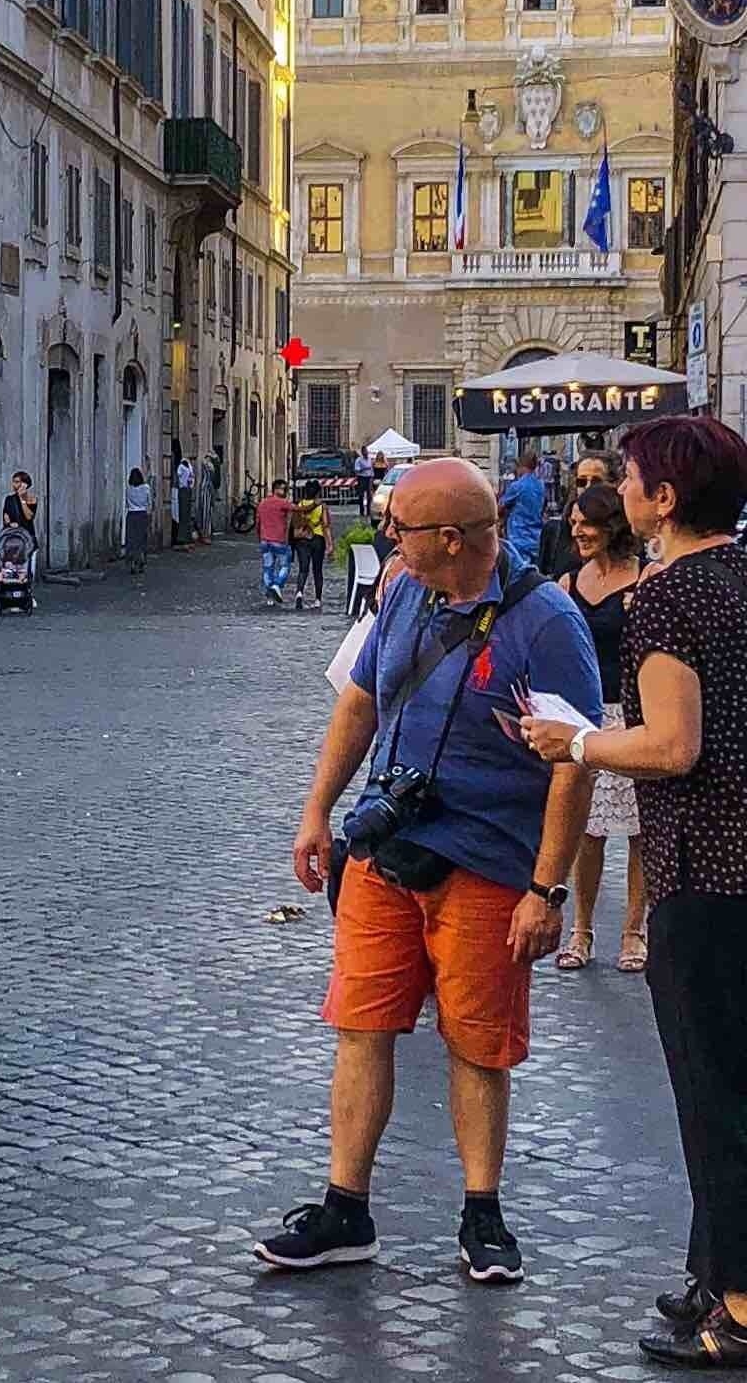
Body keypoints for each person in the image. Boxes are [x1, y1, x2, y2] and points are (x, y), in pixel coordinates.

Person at [258, 457, 601, 1286]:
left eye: (400, 529)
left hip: (486, 862)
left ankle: (483, 1212)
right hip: (387, 850)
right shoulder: (406, 591)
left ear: (451, 539)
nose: (388, 540)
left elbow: (576, 762)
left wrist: (546, 888)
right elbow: (361, 701)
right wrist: (316, 810)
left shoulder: (547, 622)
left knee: (478, 1044)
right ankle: (347, 1208)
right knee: (361, 1025)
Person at [520, 416, 747, 1366]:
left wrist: (572, 742)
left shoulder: (667, 599)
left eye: (638, 476)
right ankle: (714, 1264)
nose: (627, 486)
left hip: (704, 869)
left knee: (714, 1087)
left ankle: (736, 1310)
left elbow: (670, 745)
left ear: (663, 500)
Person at [550, 481, 648, 975]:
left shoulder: (646, 578)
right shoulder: (568, 582)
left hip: (635, 715)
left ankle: (634, 930)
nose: (579, 532)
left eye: (586, 523)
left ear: (611, 526)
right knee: (587, 831)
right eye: (573, 524)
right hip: (585, 717)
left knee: (638, 833)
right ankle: (581, 927)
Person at [499, 455, 546, 567]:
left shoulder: (517, 486)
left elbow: (500, 507)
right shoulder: (541, 485)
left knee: (520, 573)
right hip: (536, 539)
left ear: (521, 467)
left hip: (519, 537)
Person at [289, 486, 329, 613]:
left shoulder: (299, 505)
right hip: (318, 539)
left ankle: (299, 593)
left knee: (303, 569)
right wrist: (330, 544)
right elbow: (326, 525)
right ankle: (317, 600)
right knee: (317, 571)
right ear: (318, 493)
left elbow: (294, 523)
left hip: (302, 540)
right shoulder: (321, 507)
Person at [256, 480, 294, 608]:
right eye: (284, 489)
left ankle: (269, 596)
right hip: (279, 541)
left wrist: (259, 537)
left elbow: (258, 522)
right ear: (277, 489)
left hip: (264, 541)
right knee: (285, 565)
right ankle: (276, 585)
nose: (286, 492)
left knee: (268, 568)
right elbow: (300, 509)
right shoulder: (283, 503)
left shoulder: (262, 503)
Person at [122, 464, 151, 575]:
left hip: (131, 515)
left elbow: (126, 503)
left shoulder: (128, 489)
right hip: (142, 514)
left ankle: (132, 562)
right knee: (141, 539)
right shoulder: (146, 488)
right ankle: (141, 560)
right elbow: (149, 502)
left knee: (131, 539)